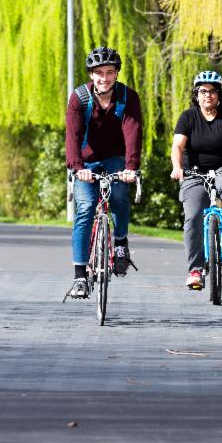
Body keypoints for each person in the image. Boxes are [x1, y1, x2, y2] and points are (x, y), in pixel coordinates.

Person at [65, 46, 143, 299]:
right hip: (85, 163)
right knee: (86, 208)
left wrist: (130, 168)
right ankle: (79, 277)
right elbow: (72, 136)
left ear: (116, 73)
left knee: (119, 195)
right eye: (99, 73)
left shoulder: (128, 97)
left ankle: (120, 244)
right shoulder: (79, 98)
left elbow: (133, 132)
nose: (104, 78)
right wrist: (77, 168)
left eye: (109, 72)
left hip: (115, 160)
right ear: (91, 74)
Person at [170, 70, 222, 290]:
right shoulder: (188, 117)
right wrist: (177, 167)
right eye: (203, 91)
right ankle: (195, 270)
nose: (208, 95)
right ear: (196, 94)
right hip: (193, 173)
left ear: (219, 94)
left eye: (213, 91)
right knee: (194, 215)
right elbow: (177, 146)